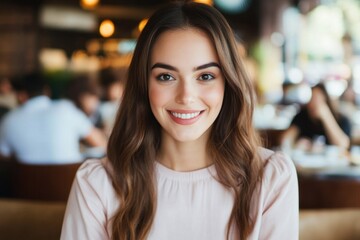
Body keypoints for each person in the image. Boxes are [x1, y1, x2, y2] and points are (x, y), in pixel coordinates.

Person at [61, 2, 298, 240]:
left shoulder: (270, 178)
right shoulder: (98, 184)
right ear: (144, 85)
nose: (186, 96)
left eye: (205, 76)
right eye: (166, 76)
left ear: (228, 83)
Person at [0, 72, 107, 164]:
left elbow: (3, 159)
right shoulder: (66, 108)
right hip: (69, 183)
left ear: (20, 95)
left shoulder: (8, 119)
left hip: (26, 186)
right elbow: (100, 143)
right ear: (47, 91)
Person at [281, 82, 352, 151]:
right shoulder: (302, 116)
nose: (314, 104)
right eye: (312, 99)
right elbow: (285, 140)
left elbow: (343, 145)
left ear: (326, 102)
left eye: (318, 100)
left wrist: (326, 116)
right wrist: (296, 144)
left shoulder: (342, 119)